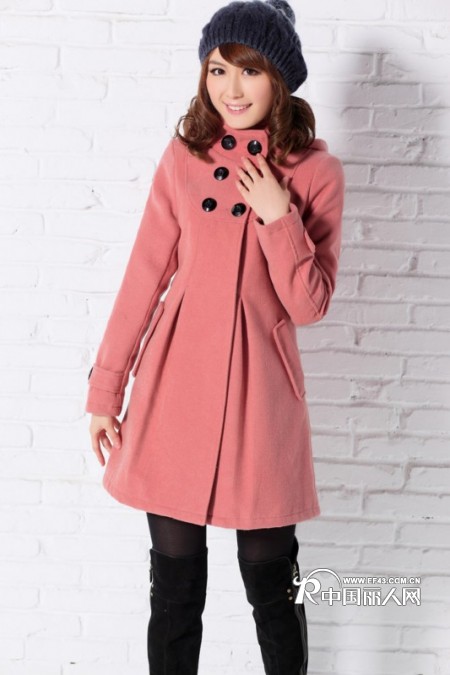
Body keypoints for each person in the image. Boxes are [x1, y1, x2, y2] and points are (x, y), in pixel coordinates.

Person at [86, 0, 345, 672]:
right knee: (174, 592)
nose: (231, 89)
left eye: (250, 71)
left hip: (262, 399)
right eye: (218, 69)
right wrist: (105, 392)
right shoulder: (184, 159)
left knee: (272, 586)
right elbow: (143, 278)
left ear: (280, 79)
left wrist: (278, 215)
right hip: (175, 390)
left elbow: (310, 305)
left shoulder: (316, 172)